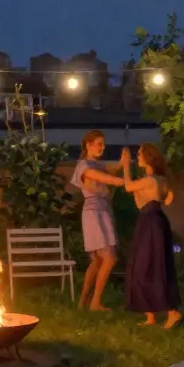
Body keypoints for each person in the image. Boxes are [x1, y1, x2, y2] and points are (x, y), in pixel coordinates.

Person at [120, 143, 181, 329]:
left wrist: (125, 166)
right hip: (156, 220)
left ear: (148, 157)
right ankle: (151, 316)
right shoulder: (160, 179)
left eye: (139, 155)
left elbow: (128, 186)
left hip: (150, 223)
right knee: (150, 266)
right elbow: (169, 198)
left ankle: (172, 313)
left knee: (148, 267)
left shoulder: (151, 180)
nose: (137, 157)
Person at [70, 130, 126, 311]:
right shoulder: (84, 166)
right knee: (109, 258)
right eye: (99, 144)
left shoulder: (96, 164)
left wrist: (123, 162)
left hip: (102, 210)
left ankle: (83, 302)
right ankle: (95, 303)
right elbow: (107, 178)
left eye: (103, 144)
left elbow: (113, 169)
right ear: (88, 144)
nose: (103, 147)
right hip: (94, 212)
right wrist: (127, 180)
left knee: (97, 261)